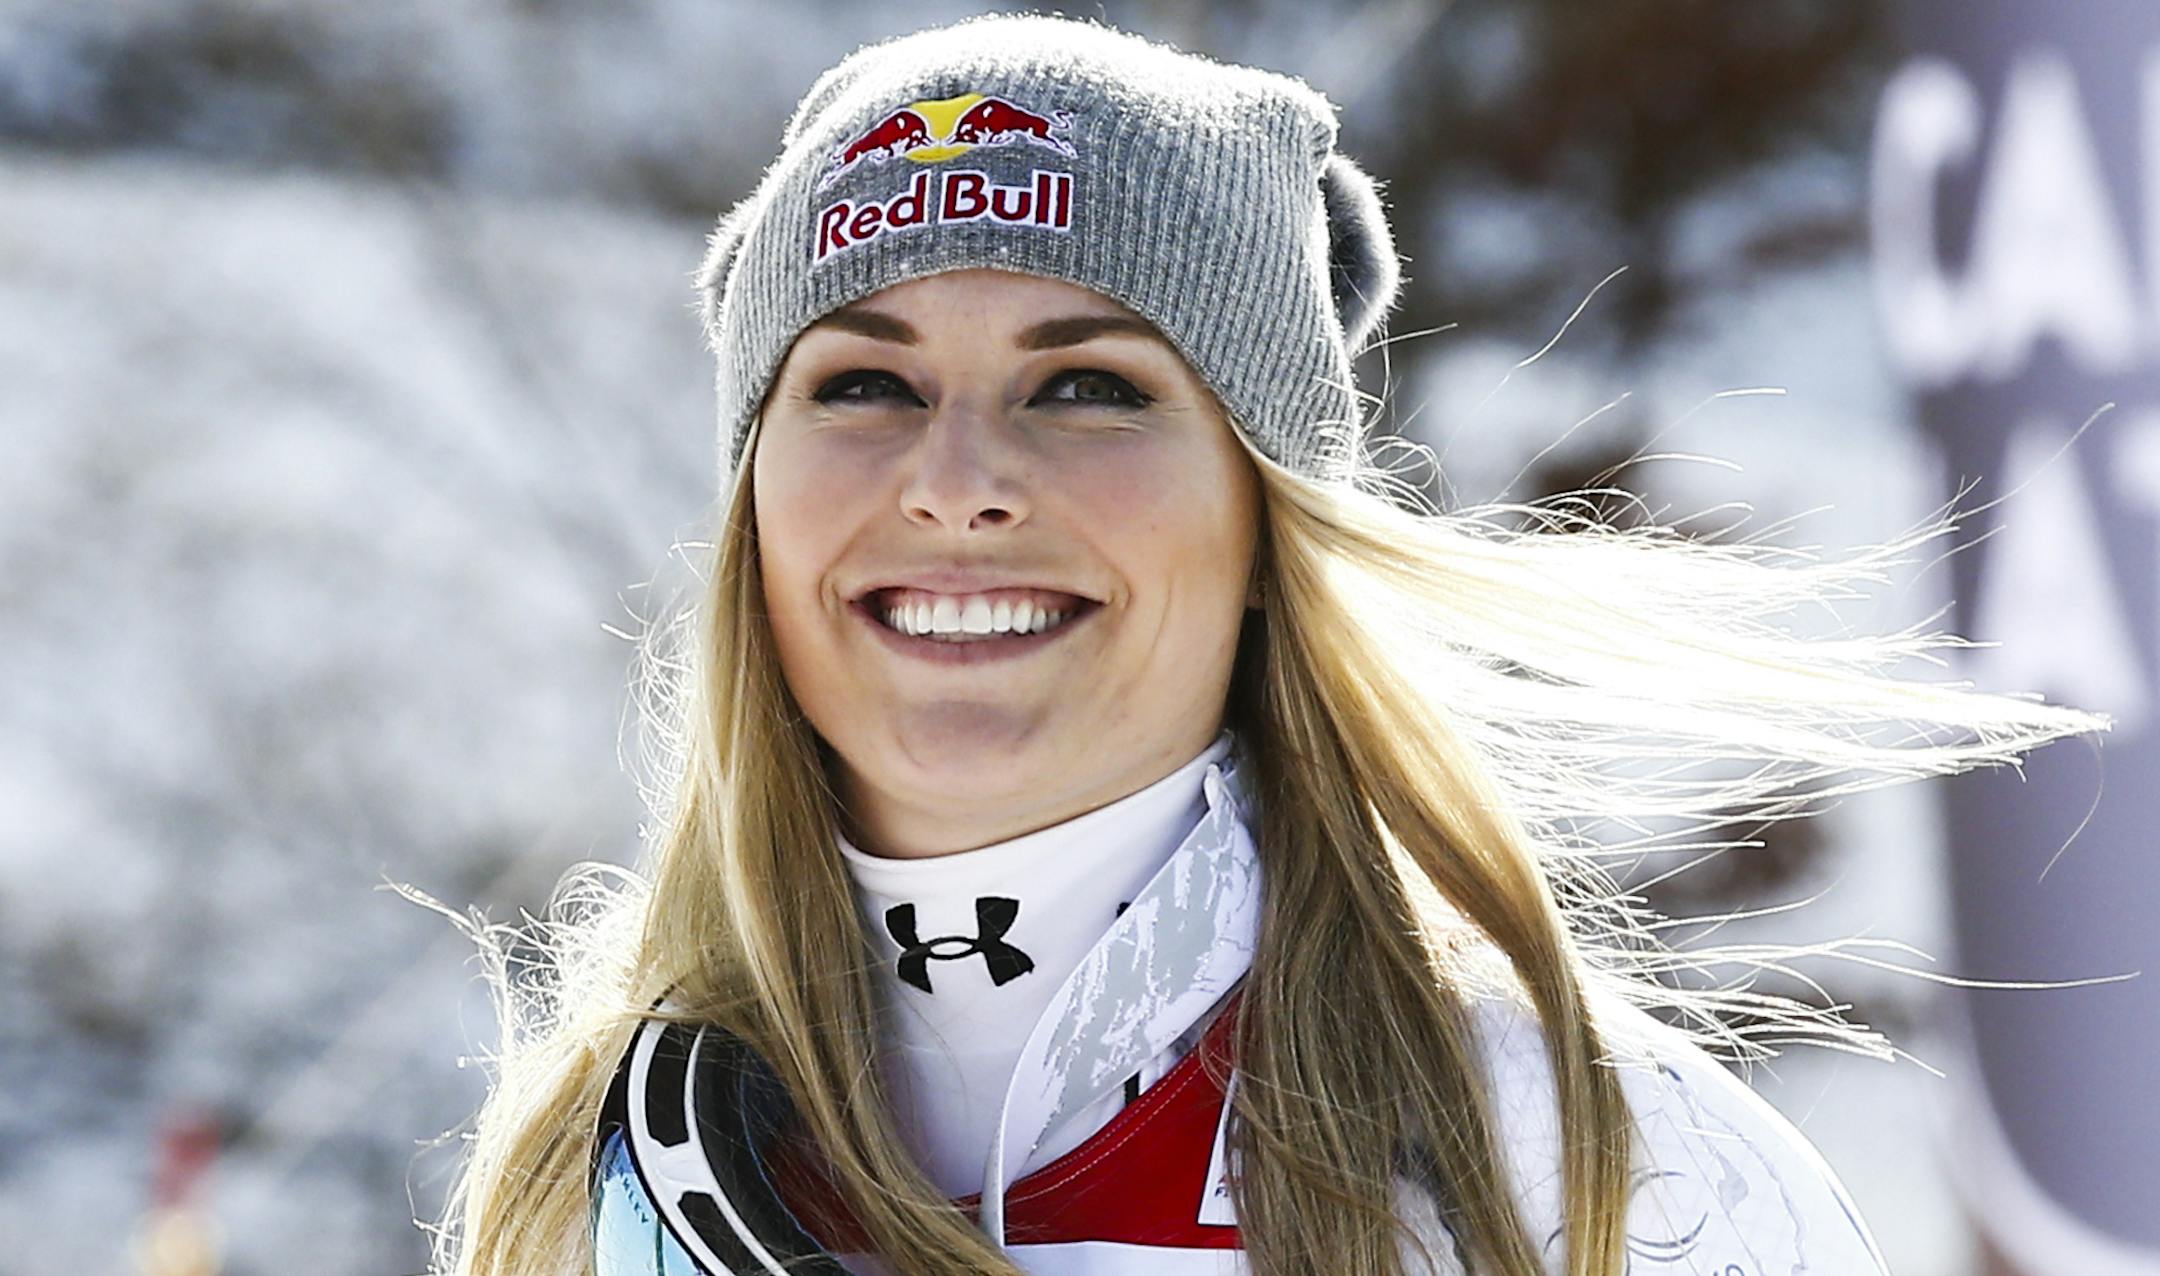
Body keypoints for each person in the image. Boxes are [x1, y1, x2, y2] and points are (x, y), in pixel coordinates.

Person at [425, 13, 2107, 1276]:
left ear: (1265, 523)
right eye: (862, 383)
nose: (959, 483)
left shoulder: (1585, 1172)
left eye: (1089, 385)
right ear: (752, 513)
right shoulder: (583, 1189)